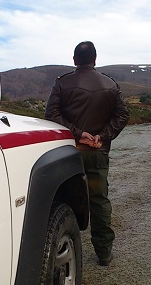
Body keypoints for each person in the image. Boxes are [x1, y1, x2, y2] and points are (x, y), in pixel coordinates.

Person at [45, 41, 129, 266]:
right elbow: (122, 115)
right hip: (97, 152)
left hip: (69, 152)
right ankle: (103, 253)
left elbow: (51, 114)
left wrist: (78, 134)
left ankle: (65, 253)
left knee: (64, 202)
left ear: (74, 60)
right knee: (99, 201)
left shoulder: (62, 84)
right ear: (95, 59)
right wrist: (102, 136)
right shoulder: (110, 84)